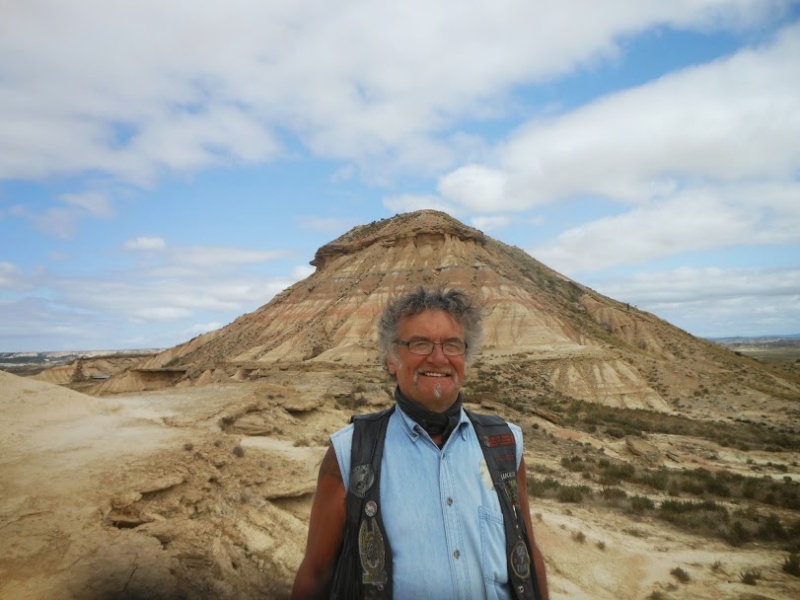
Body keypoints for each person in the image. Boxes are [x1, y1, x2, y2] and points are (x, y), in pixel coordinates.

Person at [292, 287, 549, 599]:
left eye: (452, 345)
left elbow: (529, 553)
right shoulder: (350, 453)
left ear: (465, 359)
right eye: (419, 344)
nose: (438, 358)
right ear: (391, 358)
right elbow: (316, 575)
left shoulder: (505, 444)